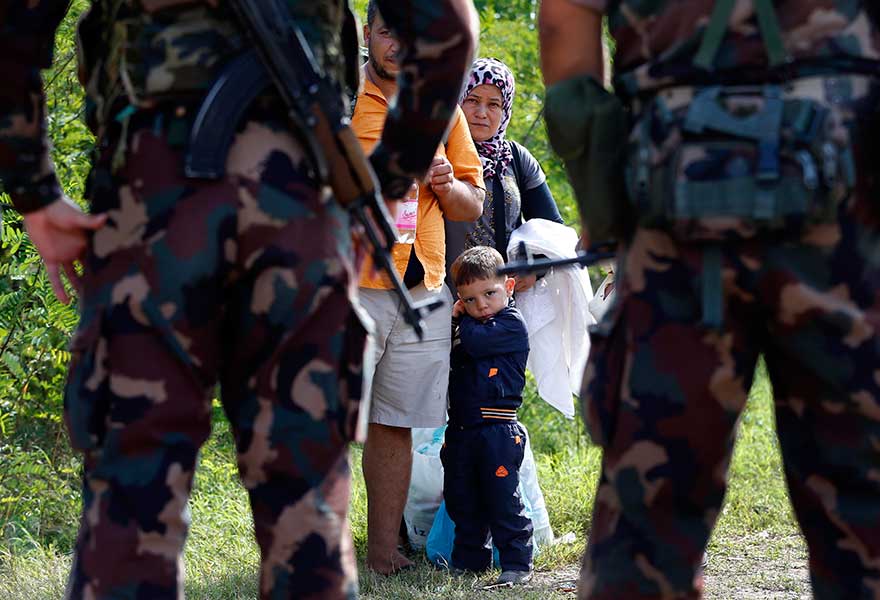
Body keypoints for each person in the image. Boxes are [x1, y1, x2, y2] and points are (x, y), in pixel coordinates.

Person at [0, 1, 478, 598]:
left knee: (131, 506)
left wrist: (36, 190)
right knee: (307, 522)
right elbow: (451, 30)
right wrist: (379, 184)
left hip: (149, 217)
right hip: (300, 222)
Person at [539, 1, 880, 599]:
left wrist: (604, 196)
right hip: (847, 203)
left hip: (674, 200)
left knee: (646, 519)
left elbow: (563, 17)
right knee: (870, 515)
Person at [351, 0, 485, 576]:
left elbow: (471, 202)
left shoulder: (441, 106)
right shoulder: (334, 102)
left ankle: (383, 554)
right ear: (367, 33)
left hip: (422, 290)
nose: (397, 45)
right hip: (347, 287)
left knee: (395, 423)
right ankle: (312, 553)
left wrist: (447, 184)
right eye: (386, 32)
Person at [443, 245, 533, 586]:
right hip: (462, 428)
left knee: (503, 499)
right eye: (469, 300)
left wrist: (457, 319)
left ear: (509, 287)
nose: (480, 306)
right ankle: (469, 562)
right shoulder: (471, 324)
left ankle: (517, 564)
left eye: (489, 294)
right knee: (462, 498)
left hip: (497, 429)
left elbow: (476, 343)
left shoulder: (510, 324)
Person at [446, 58, 564, 295]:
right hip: (443, 298)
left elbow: (553, 229)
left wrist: (532, 268)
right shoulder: (439, 151)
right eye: (472, 100)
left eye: (493, 105)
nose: (482, 113)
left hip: (504, 301)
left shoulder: (516, 159)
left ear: (505, 110)